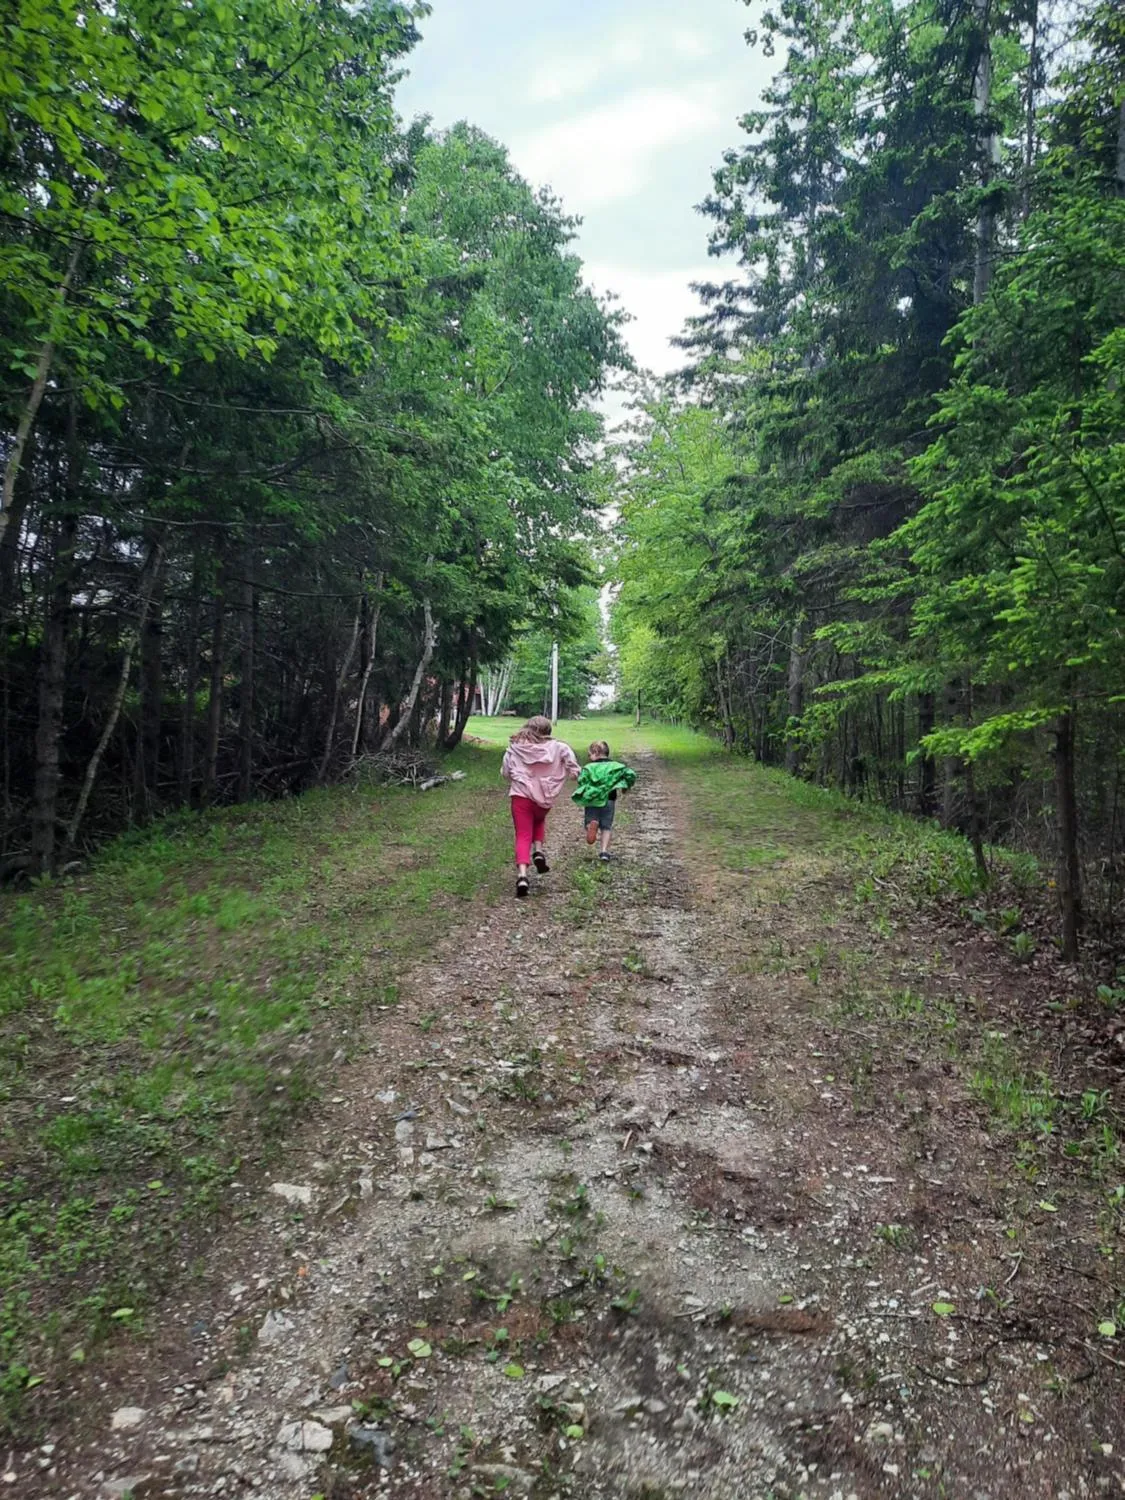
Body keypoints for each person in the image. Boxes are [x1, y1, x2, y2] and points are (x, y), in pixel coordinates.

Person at [501, 716, 580, 898]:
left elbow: (506, 772)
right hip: (544, 796)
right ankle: (538, 850)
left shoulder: (514, 748)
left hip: (520, 796)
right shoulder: (560, 747)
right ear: (548, 732)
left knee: (522, 834)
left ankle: (522, 876)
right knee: (539, 819)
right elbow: (574, 770)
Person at [572, 740, 636, 862]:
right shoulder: (617, 766)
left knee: (590, 821)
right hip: (609, 799)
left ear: (595, 753)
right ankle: (604, 852)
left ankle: (591, 825)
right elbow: (630, 775)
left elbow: (582, 780)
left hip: (592, 800)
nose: (589, 757)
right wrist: (625, 786)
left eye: (589, 754)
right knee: (607, 826)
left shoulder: (589, 767)